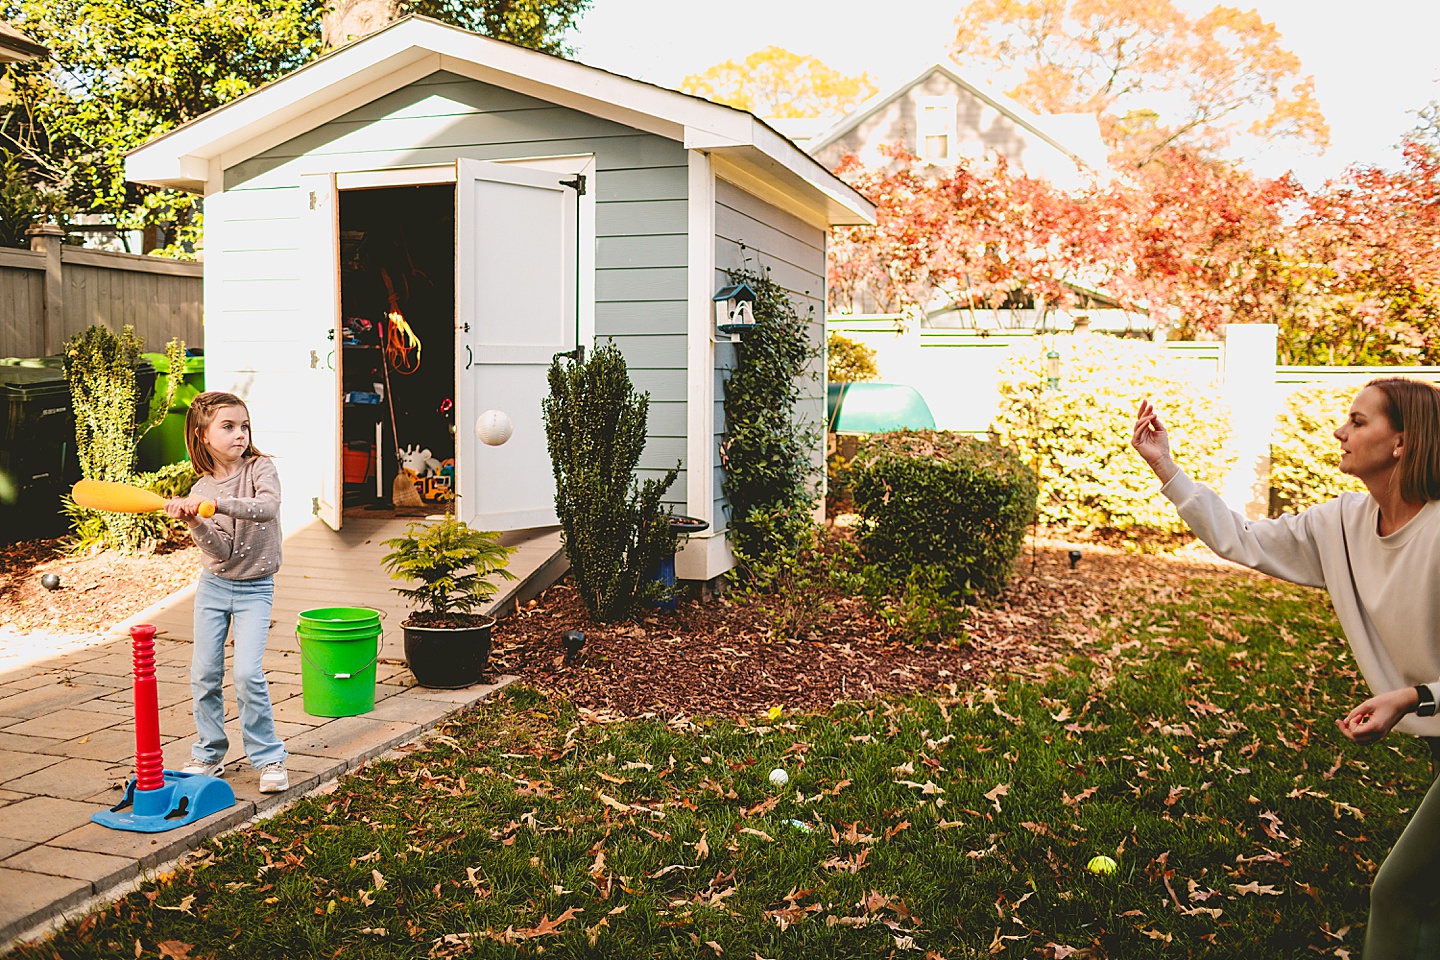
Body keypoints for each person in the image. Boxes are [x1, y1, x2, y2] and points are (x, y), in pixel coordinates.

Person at [1133, 378, 1440, 956]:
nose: (1339, 431)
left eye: (1358, 420)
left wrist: (1411, 698)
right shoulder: (1343, 523)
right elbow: (1244, 539)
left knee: (1401, 893)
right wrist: (1166, 469)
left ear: (1402, 441)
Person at [165, 391, 290, 794]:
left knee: (247, 672)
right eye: (228, 426)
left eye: (244, 425)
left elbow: (267, 507)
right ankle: (209, 752)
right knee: (204, 673)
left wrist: (212, 505)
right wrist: (194, 521)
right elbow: (222, 550)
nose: (240, 434)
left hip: (256, 589)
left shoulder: (259, 469)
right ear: (203, 435)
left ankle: (269, 758)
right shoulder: (201, 487)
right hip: (215, 587)